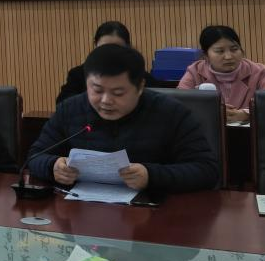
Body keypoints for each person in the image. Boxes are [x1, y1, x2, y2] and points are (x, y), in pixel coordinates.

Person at [29, 44, 219, 193]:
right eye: (97, 90)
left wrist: (151, 176)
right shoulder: (70, 109)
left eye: (118, 93)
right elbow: (35, 156)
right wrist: (52, 166)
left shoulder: (171, 113)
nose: (106, 100)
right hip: (82, 211)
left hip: (151, 214)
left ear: (140, 86)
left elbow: (207, 170)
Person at [177, 25, 265, 123]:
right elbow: (179, 104)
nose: (229, 57)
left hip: (249, 132)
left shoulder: (260, 72)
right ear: (206, 55)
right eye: (220, 51)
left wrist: (247, 114)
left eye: (234, 49)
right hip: (206, 132)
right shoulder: (195, 71)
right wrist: (210, 112)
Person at [56, 20, 155, 103]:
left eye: (115, 48)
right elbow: (63, 103)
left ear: (127, 47)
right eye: (104, 48)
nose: (109, 54)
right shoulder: (78, 74)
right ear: (95, 45)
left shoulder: (138, 74)